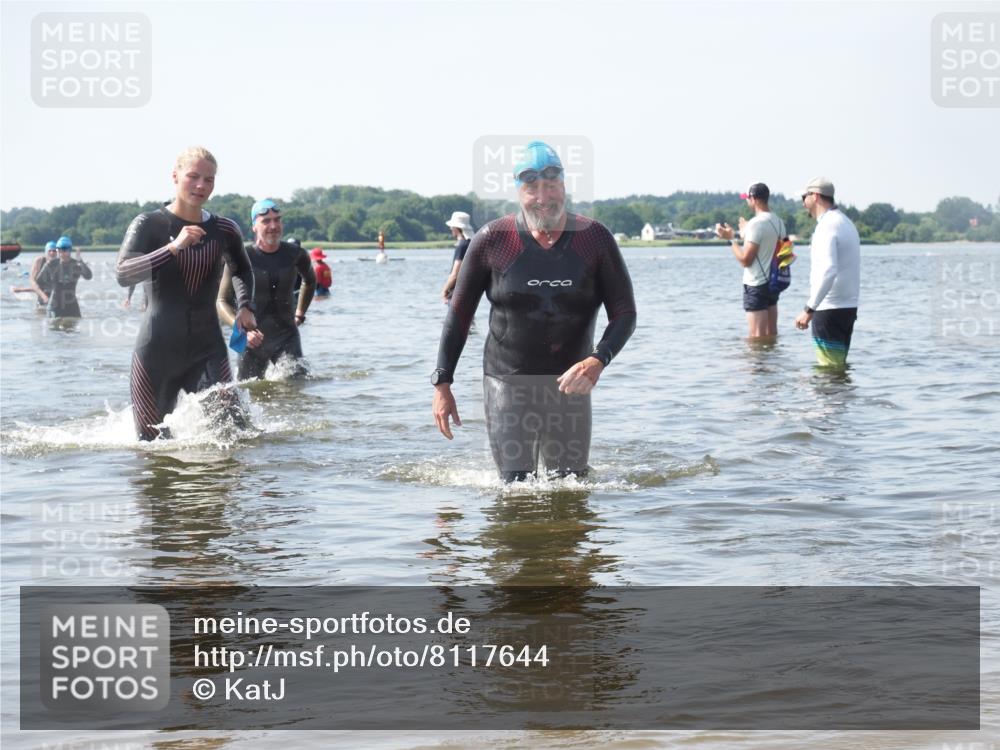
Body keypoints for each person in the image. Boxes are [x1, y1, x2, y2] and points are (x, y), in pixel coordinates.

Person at [431, 141, 637, 482]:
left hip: (571, 382)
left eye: (552, 185)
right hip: (507, 381)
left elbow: (625, 313)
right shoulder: (492, 239)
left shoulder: (594, 239)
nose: (544, 197)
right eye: (532, 188)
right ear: (518, 191)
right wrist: (442, 383)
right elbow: (458, 315)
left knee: (571, 485)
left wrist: (598, 360)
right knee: (516, 486)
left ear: (564, 186)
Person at [116, 146, 257, 441]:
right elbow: (124, 273)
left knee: (235, 434)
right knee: (152, 445)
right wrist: (173, 247)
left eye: (209, 179)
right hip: (156, 351)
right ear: (175, 176)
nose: (201, 186)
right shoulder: (150, 224)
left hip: (208, 348)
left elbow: (242, 269)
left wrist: (245, 306)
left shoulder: (224, 229)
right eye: (193, 176)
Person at [217, 199, 316, 380]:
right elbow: (222, 301)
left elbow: (310, 281)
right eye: (266, 221)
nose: (273, 226)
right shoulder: (240, 257)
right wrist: (240, 330)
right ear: (254, 226)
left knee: (298, 392)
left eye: (277, 220)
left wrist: (300, 313)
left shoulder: (296, 254)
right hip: (250, 340)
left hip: (287, 337)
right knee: (248, 393)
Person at [793, 177, 861, 368]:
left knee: (828, 372)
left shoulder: (826, 226)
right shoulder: (846, 222)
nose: (803, 203)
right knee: (838, 369)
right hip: (847, 307)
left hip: (829, 308)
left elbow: (829, 271)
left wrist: (809, 309)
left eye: (804, 198)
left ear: (815, 196)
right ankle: (842, 398)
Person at [716, 183, 787, 338]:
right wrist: (745, 231)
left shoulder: (756, 224)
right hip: (773, 283)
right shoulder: (778, 222)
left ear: (754, 199)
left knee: (756, 339)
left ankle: (756, 364)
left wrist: (730, 239)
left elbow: (745, 260)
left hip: (756, 285)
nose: (746, 201)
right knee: (771, 335)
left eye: (747, 198)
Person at [37, 236, 92, 317]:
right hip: (55, 305)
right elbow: (39, 281)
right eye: (59, 250)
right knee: (54, 328)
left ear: (70, 250)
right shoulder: (52, 264)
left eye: (65, 250)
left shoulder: (76, 264)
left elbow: (88, 276)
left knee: (74, 328)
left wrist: (80, 260)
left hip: (71, 305)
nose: (62, 253)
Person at [440, 211, 474, 303]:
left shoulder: (461, 245)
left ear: (457, 228)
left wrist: (444, 290)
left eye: (452, 226)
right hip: (469, 292)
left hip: (457, 294)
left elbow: (455, 273)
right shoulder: (471, 243)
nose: (450, 228)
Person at [10, 241, 57, 305]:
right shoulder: (39, 261)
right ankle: (20, 289)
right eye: (50, 251)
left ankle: (20, 289)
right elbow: (32, 281)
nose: (52, 253)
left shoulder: (59, 263)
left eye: (54, 251)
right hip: (38, 284)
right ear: (46, 252)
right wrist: (43, 296)